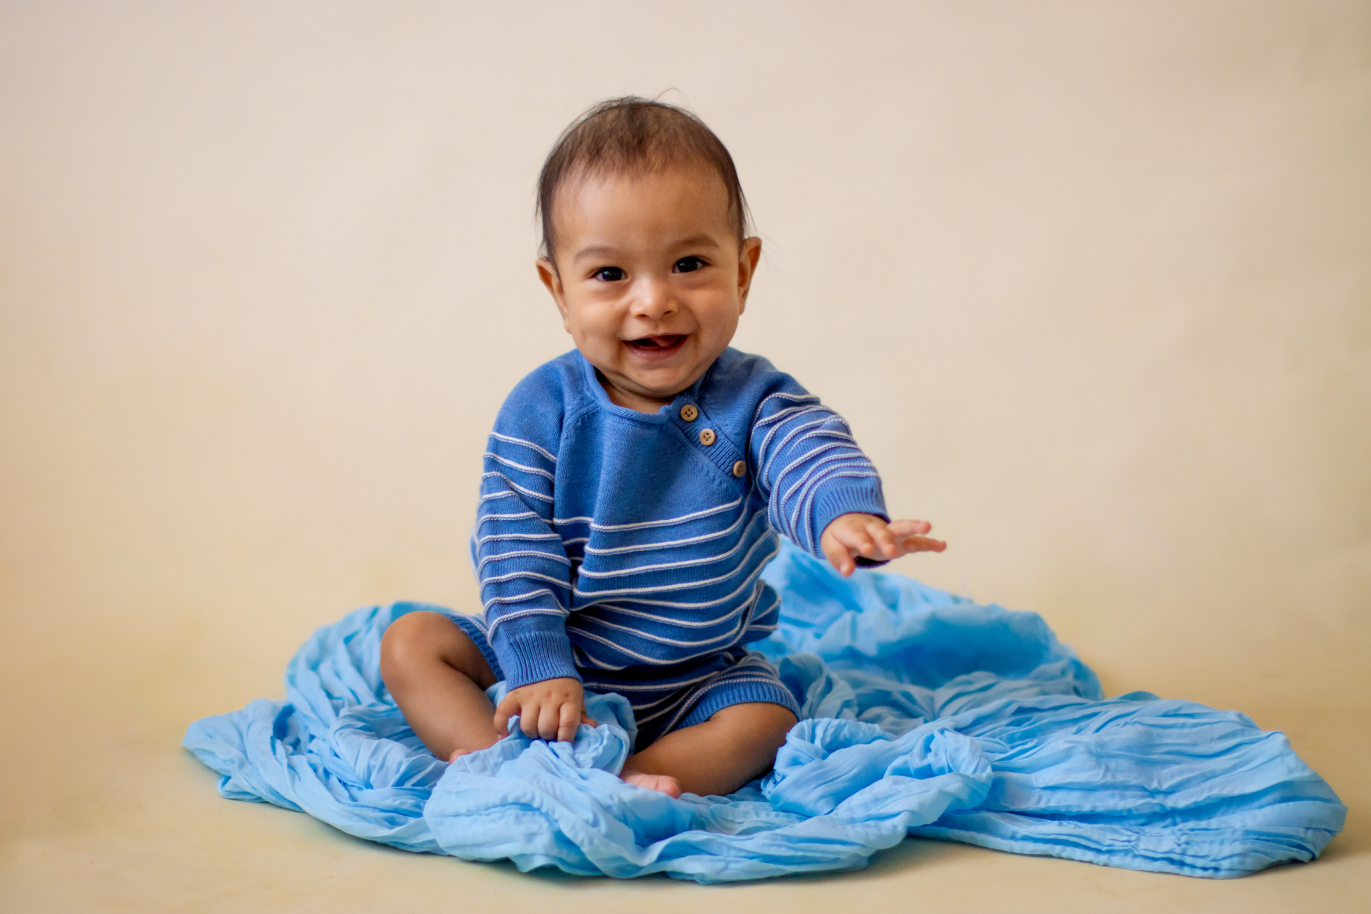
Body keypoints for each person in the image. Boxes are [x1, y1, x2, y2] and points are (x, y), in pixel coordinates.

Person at [380, 97, 946, 799]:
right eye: (610, 275)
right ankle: (498, 760)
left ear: (742, 271)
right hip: (561, 656)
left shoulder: (753, 400)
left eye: (687, 264)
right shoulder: (541, 410)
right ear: (557, 290)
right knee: (411, 642)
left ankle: (628, 781)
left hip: (695, 674)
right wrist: (538, 664)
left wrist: (840, 515)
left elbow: (809, 449)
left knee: (765, 719)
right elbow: (512, 543)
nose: (652, 301)